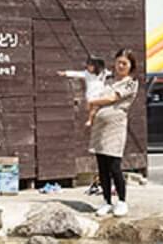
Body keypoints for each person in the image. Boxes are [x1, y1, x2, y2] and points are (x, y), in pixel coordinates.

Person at [87, 49, 140, 218]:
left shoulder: (131, 83)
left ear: (131, 66)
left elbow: (112, 98)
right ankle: (106, 201)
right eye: (119, 62)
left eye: (125, 63)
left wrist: (93, 101)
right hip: (100, 127)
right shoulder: (108, 80)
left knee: (114, 165)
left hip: (115, 127)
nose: (121, 66)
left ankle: (122, 201)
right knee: (101, 165)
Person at [59, 56, 108, 195]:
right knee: (91, 107)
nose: (88, 67)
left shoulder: (103, 73)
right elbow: (77, 74)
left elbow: (111, 73)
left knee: (95, 109)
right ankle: (91, 119)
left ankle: (91, 120)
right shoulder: (87, 74)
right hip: (90, 96)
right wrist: (66, 73)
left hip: (99, 95)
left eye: (90, 65)